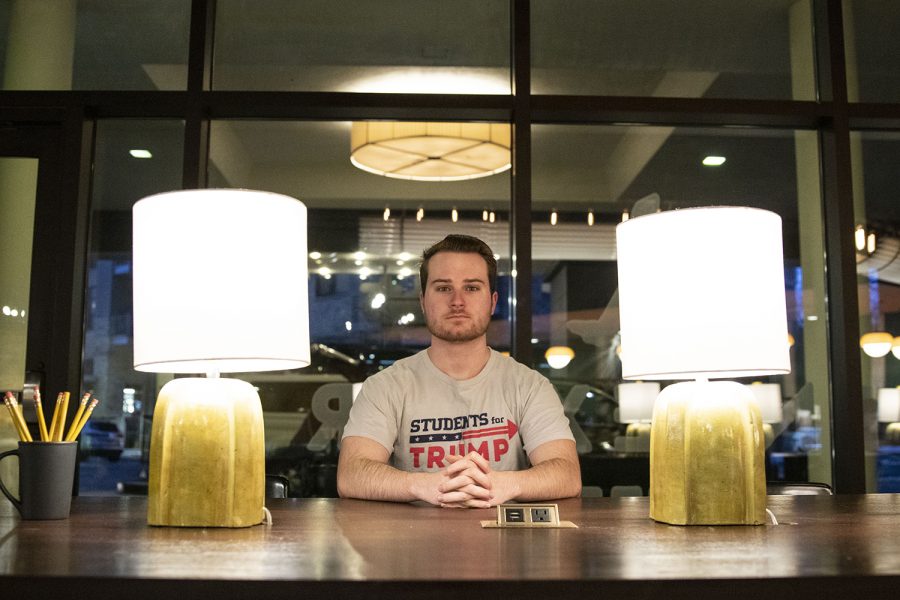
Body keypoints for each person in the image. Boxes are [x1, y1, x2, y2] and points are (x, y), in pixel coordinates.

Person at [337, 234, 581, 508]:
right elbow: (351, 474)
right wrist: (425, 485)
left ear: (492, 301)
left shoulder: (529, 385)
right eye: (443, 288)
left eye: (472, 288)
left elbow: (567, 474)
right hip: (410, 545)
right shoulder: (385, 386)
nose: (457, 301)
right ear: (422, 301)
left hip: (505, 544)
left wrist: (501, 484)